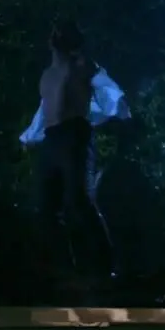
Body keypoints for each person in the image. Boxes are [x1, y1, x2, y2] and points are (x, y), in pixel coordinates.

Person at [31, 19, 119, 282]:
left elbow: (103, 85)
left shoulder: (81, 65)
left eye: (60, 33)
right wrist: (31, 134)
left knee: (79, 201)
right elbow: (45, 109)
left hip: (74, 134)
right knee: (47, 208)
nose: (54, 36)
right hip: (52, 138)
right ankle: (64, 269)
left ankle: (105, 266)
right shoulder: (48, 74)